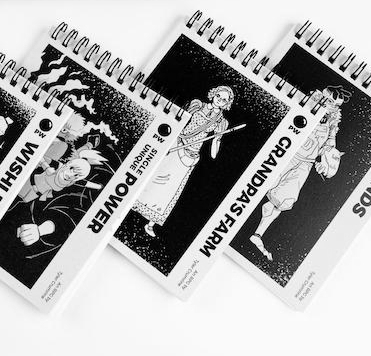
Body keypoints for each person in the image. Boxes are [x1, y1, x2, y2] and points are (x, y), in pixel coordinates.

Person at [247, 86, 349, 260]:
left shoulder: (331, 121)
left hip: (305, 164)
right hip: (287, 153)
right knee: (261, 183)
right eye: (330, 101)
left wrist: (325, 162)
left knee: (284, 199)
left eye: (335, 105)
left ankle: (257, 234)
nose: (331, 106)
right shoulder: (305, 104)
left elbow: (329, 144)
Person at [131, 85, 235, 237]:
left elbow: (214, 153)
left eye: (224, 99)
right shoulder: (197, 105)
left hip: (189, 156)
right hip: (176, 144)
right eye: (218, 95)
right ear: (213, 94)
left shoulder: (221, 122)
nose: (219, 100)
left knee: (169, 189)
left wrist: (218, 139)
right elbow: (178, 120)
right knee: (153, 175)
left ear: (227, 103)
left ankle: (151, 224)